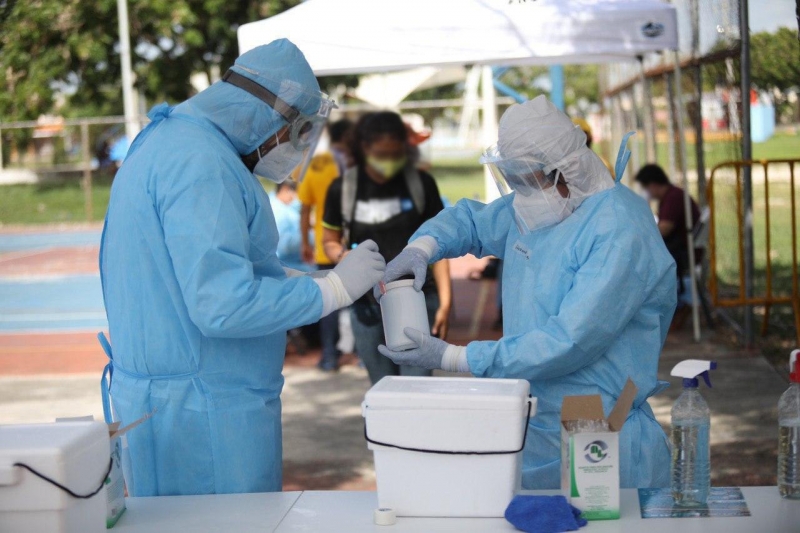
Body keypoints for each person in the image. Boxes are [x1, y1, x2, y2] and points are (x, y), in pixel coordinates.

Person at [99, 39, 385, 497]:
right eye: (297, 132)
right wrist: (331, 291)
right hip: (206, 416)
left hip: (167, 402)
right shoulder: (204, 163)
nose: (296, 148)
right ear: (267, 114)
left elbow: (192, 272)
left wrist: (306, 279)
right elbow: (222, 305)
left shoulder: (167, 140)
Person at [378, 96, 676, 490]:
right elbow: (471, 219)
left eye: (527, 180)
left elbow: (569, 340)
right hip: (538, 421)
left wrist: (454, 357)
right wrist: (424, 247)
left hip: (604, 428)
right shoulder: (543, 208)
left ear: (564, 170)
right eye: (513, 180)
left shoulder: (620, 229)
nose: (521, 194)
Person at [321, 111, 452, 385]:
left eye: (396, 154)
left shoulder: (421, 184)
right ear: (363, 149)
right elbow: (329, 240)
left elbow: (439, 245)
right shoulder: (343, 188)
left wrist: (446, 300)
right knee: (382, 389)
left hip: (416, 297)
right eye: (382, 154)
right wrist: (343, 256)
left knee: (417, 387)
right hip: (366, 304)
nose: (389, 162)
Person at [297, 119, 354, 371]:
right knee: (360, 298)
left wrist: (304, 242)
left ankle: (329, 355)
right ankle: (363, 353)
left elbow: (304, 208)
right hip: (354, 243)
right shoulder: (357, 164)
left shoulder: (317, 166)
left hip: (325, 243)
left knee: (328, 303)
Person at [634, 163, 700, 325]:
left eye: (646, 188)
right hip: (681, 249)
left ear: (653, 185)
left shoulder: (673, 198)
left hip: (683, 253)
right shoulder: (672, 196)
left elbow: (664, 229)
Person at [269, 181, 310, 273]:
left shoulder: (285, 208)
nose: (297, 198)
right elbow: (283, 245)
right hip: (286, 267)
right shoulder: (278, 211)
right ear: (286, 189)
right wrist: (310, 237)